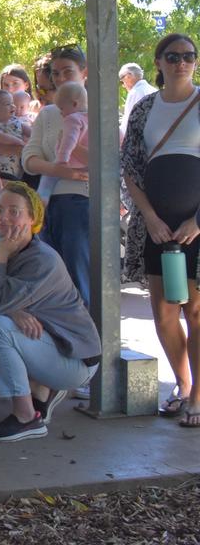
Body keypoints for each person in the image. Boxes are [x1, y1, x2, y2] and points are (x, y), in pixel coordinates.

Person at [0, 182, 100, 442]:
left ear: (33, 218)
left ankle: (27, 417)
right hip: (34, 344)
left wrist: (2, 261)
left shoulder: (44, 260)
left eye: (14, 211)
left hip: (72, 359)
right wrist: (11, 311)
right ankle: (39, 387)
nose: (3, 217)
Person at [121, 33, 200, 422]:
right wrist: (149, 217)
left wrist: (196, 221)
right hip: (156, 227)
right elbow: (131, 167)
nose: (181, 62)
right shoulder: (144, 108)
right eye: (173, 56)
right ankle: (182, 386)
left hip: (197, 227)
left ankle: (198, 398)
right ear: (159, 61)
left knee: (197, 311)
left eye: (188, 56)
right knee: (165, 311)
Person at [21, 44, 91, 310]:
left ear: (83, 73)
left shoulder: (97, 111)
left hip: (82, 202)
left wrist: (72, 149)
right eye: (55, 72)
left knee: (78, 273)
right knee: (50, 273)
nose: (60, 78)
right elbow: (29, 158)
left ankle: (86, 339)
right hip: (48, 204)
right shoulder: (49, 112)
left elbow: (106, 161)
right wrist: (57, 169)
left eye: (67, 72)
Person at [0, 89, 30, 180]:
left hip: (19, 162)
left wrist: (35, 135)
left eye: (12, 103)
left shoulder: (15, 120)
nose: (13, 106)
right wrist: (19, 142)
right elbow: (0, 137)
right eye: (8, 104)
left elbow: (26, 129)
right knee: (7, 182)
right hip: (3, 166)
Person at [53, 82, 89, 171]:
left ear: (74, 104)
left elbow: (69, 140)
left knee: (47, 179)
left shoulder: (72, 119)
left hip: (71, 163)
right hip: (85, 164)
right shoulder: (90, 117)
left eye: (61, 108)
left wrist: (61, 160)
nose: (61, 113)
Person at [119, 63, 157, 139]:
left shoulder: (135, 92)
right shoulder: (154, 90)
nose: (123, 85)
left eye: (122, 81)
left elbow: (128, 122)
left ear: (128, 76)